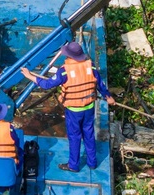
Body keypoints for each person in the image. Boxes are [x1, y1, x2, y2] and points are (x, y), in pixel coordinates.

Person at [20, 41, 114, 173]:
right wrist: (108, 97)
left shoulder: (64, 72)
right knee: (89, 134)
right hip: (89, 108)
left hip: (74, 110)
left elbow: (47, 85)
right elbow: (101, 85)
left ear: (69, 56)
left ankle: (73, 165)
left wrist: (29, 75)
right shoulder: (91, 67)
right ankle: (92, 162)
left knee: (74, 137)